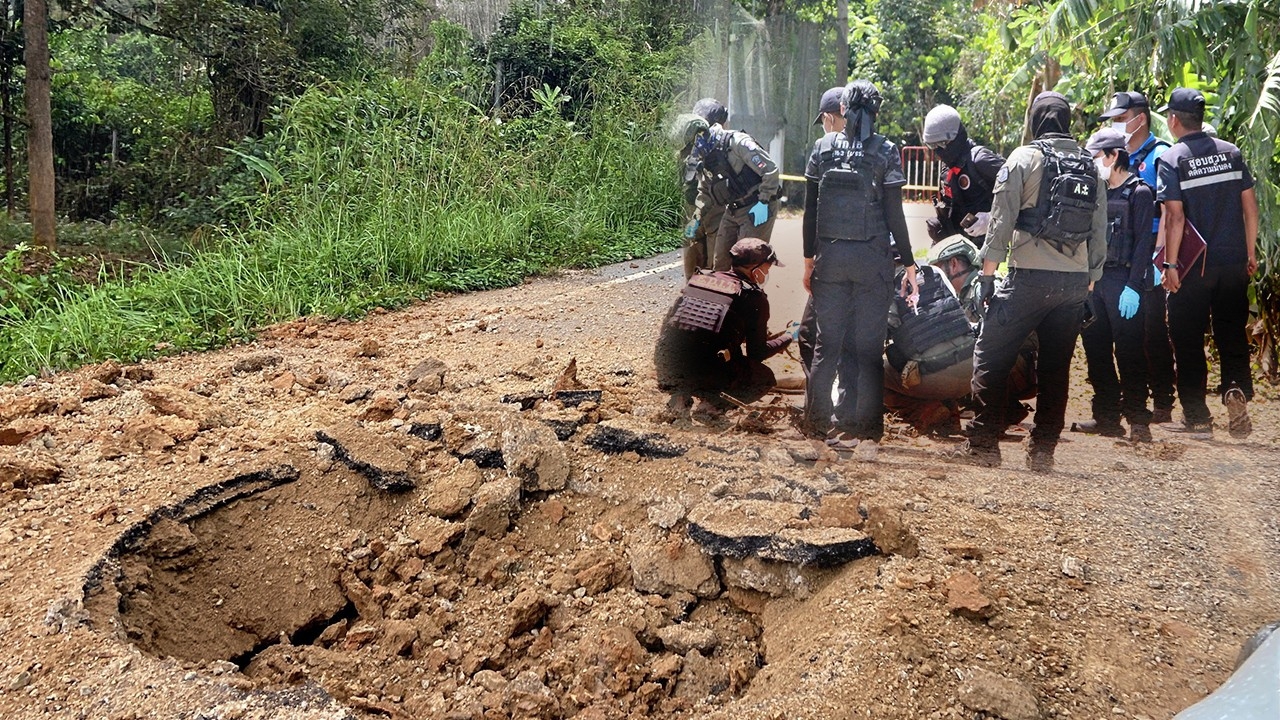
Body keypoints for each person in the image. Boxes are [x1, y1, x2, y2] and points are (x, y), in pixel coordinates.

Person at [954, 91, 1107, 472]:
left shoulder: (1023, 158)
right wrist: (1090, 285)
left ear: (1035, 120)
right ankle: (1043, 452)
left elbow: (1001, 223)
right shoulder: (1090, 165)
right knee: (1056, 367)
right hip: (1073, 286)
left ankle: (984, 443)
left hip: (1028, 280)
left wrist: (987, 277)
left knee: (991, 353)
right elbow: (1100, 233)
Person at [802, 79, 918, 461]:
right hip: (872, 262)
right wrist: (911, 263)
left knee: (827, 346)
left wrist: (808, 261)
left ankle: (817, 426)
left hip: (830, 260)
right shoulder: (886, 151)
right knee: (867, 349)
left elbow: (811, 214)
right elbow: (893, 214)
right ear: (877, 111)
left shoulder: (822, 149)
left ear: (844, 108)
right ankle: (865, 431)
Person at [1156, 88, 1258, 439]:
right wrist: (1250, 253)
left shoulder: (1172, 159)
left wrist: (1170, 267)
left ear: (1173, 120)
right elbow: (1250, 208)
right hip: (1232, 262)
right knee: (1231, 333)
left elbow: (1175, 218)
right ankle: (1234, 387)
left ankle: (1197, 418)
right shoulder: (1231, 153)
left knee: (1187, 339)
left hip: (1193, 267)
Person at [884, 236, 1036, 434]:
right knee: (952, 353)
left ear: (954, 263)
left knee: (872, 372)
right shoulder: (937, 276)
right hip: (979, 369)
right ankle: (991, 411)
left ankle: (930, 414)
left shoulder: (985, 289)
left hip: (1017, 366)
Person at [1073, 128, 1155, 442]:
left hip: (1125, 283)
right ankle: (1106, 416)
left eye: (1096, 156)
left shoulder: (1140, 193)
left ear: (1112, 155)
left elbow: (1142, 246)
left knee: (1130, 352)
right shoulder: (1098, 193)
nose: (1093, 162)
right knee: (1096, 351)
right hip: (1096, 282)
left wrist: (1135, 286)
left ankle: (1137, 419)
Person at [1100, 90, 1176, 423]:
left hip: (1152, 256)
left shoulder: (1160, 155)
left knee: (1153, 331)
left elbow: (1169, 212)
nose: (1118, 124)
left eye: (1120, 118)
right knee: (1132, 334)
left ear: (1139, 119)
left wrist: (1161, 258)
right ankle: (1133, 401)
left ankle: (1163, 400)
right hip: (1124, 257)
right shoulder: (1118, 158)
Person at [655, 238, 793, 415]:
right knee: (763, 377)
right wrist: (788, 337)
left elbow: (672, 323)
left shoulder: (701, 278)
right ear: (756, 268)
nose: (768, 272)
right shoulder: (754, 297)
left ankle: (679, 397)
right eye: (768, 267)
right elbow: (757, 353)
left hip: (667, 364)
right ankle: (712, 405)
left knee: (696, 348)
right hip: (706, 371)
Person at [672, 113, 781, 273]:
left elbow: (770, 171)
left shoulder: (738, 143)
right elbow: (705, 192)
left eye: (689, 149)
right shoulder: (705, 157)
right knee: (721, 262)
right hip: (733, 209)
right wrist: (696, 218)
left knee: (747, 263)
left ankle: (750, 297)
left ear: (698, 137)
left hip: (757, 205)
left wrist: (764, 201)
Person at [921, 104, 1005, 246]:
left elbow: (1022, 189)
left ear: (956, 137)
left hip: (984, 248)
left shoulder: (980, 160)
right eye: (932, 146)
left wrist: (992, 219)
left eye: (941, 144)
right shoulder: (947, 167)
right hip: (956, 246)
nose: (938, 152)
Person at [679, 98, 731, 279]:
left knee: (692, 249)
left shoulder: (686, 143)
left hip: (691, 209)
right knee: (716, 261)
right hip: (714, 209)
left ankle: (690, 293)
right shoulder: (719, 140)